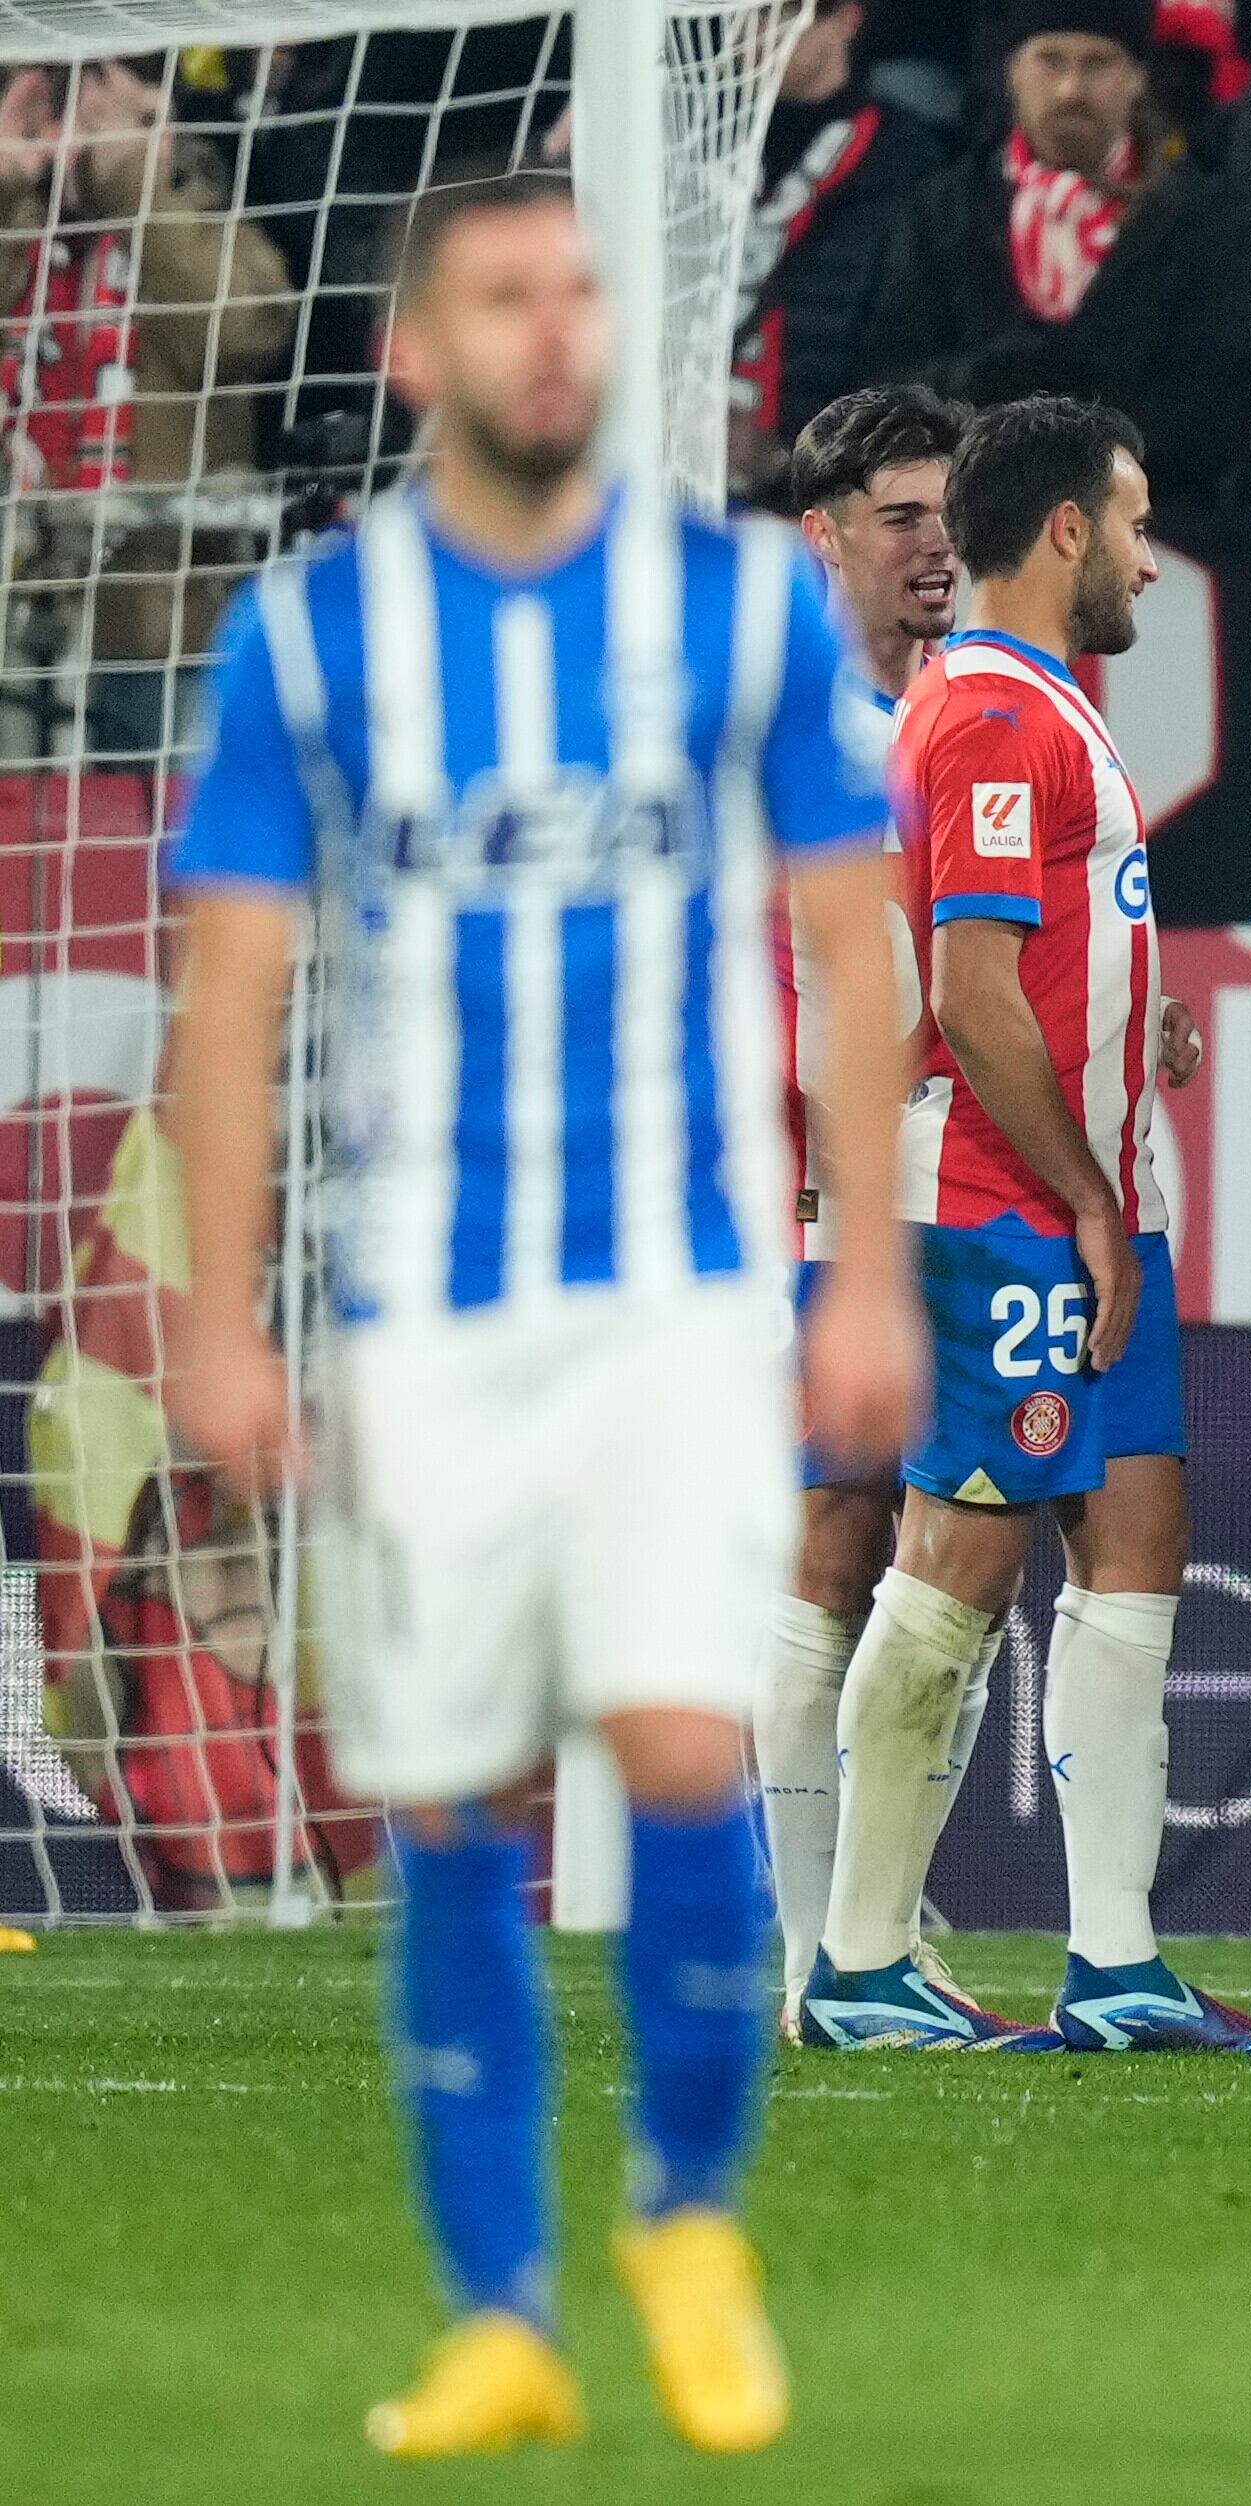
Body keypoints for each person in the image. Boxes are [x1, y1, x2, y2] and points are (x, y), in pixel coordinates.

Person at [159, 173, 920, 2456]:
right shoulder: (314, 637)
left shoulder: (740, 606)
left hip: (678, 1294)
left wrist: (869, 1268)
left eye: (577, 290)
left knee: (681, 1739)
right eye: (504, 296)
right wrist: (220, 1316)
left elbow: (853, 941)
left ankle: (685, 2219)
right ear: (416, 350)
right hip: (420, 1315)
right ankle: (499, 2312)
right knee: (450, 1797)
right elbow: (231, 990)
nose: (555, 329)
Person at [804, 393, 1251, 2057]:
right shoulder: (990, 717)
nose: (1152, 563)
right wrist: (1086, 1197)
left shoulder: (1026, 705)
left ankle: (1115, 1961)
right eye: (1138, 524)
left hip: (1080, 1196)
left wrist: (1122, 1038)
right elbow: (967, 988)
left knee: (1137, 1529)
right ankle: (858, 1962)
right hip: (1004, 1204)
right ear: (1068, 528)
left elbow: (1020, 964)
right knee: (958, 1554)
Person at [756, 383, 971, 2037]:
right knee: (837, 1539)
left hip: (946, 1179)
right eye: (901, 517)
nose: (936, 547)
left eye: (950, 516)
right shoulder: (779, 723)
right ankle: (810, 1949)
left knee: (952, 1539)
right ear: (823, 534)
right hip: (819, 1191)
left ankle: (868, 1922)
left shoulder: (963, 707)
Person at [0, 53, 297, 761]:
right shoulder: (22, 224)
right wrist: (7, 190)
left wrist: (134, 178)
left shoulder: (197, 214)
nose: (75, 132)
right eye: (53, 111)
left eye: (96, 108)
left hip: (160, 639)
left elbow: (247, 328)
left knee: (161, 828)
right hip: (15, 629)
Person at [862, 0, 1251, 505]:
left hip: (1157, 524)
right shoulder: (941, 213)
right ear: (1013, 73)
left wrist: (1054, 422)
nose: (1071, 90)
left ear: (1137, 78)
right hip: (967, 517)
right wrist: (997, 380)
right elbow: (887, 386)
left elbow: (1225, 411)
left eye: (1096, 64)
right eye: (1051, 61)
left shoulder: (1206, 219)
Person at [723, 4, 949, 503]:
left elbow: (905, 346)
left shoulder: (907, 160)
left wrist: (796, 456)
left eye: (774, 12)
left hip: (827, 494)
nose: (748, 34)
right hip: (687, 477)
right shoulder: (692, 144)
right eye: (740, 12)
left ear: (844, 19)